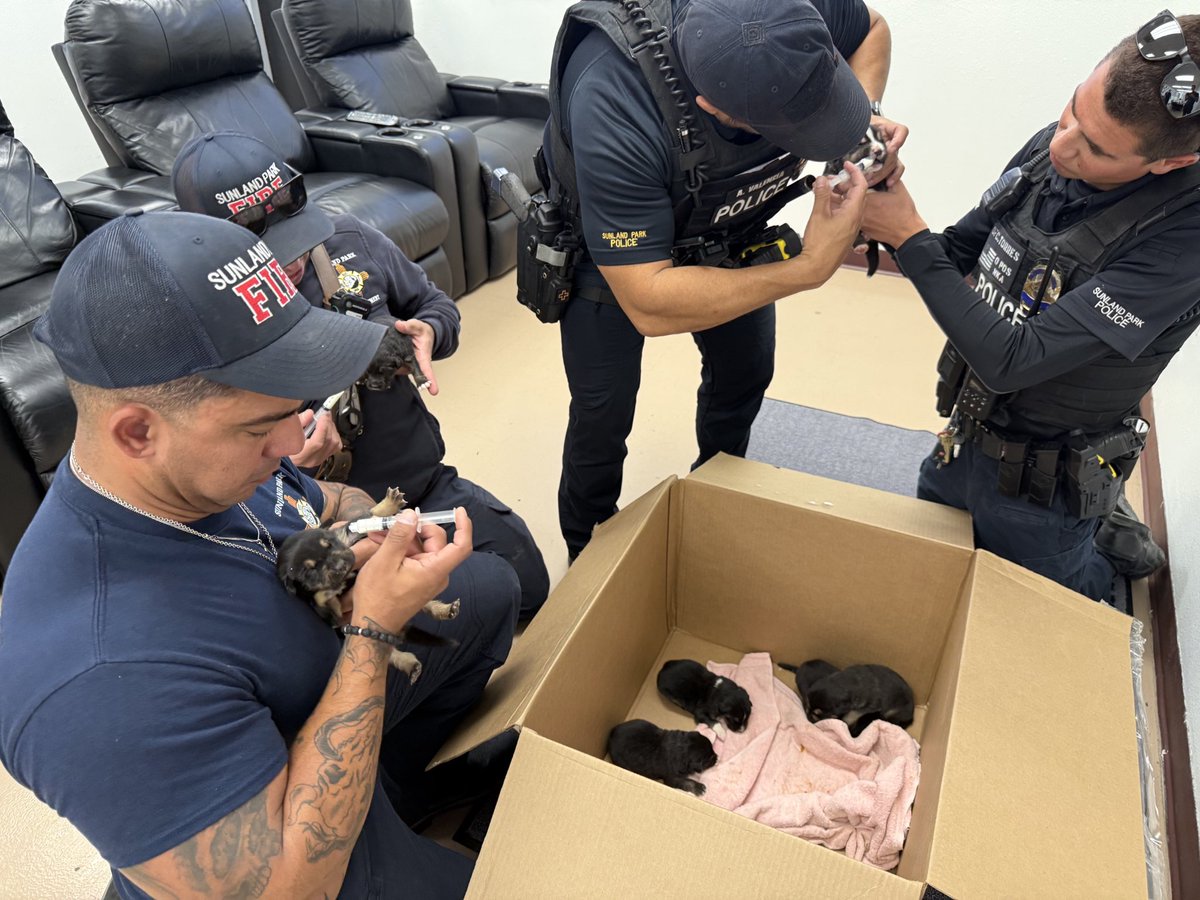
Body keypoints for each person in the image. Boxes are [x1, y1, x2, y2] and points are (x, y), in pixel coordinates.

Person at [0, 211, 517, 898]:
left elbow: (331, 505)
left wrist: (364, 537)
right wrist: (369, 631)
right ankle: (357, 829)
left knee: (492, 590)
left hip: (304, 691)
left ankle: (391, 796)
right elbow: (287, 890)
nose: (293, 441)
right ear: (136, 433)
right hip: (276, 856)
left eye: (290, 409)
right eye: (260, 427)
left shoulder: (209, 460)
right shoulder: (93, 677)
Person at [542, 0, 906, 560]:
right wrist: (807, 268)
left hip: (733, 228)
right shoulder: (613, 95)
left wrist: (861, 119)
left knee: (745, 372)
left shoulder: (781, 14)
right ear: (713, 106)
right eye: (799, 131)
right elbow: (648, 300)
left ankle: (717, 493)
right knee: (602, 412)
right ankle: (588, 551)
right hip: (615, 253)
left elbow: (872, 28)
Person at [856, 10, 1200, 602]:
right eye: (1072, 108)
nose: (1061, 146)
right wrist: (885, 197)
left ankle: (1103, 557)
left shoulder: (1183, 240)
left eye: (1095, 148)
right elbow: (963, 248)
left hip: (1048, 474)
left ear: (1171, 163)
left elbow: (1013, 359)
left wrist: (908, 237)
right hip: (970, 427)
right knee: (932, 539)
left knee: (1037, 602)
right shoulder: (1055, 146)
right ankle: (1099, 525)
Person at [172, 130, 549, 621]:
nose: (291, 261)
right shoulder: (203, 328)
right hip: (322, 531)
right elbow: (209, 490)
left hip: (421, 485)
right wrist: (293, 465)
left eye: (298, 239)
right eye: (268, 253)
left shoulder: (348, 241)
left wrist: (430, 333)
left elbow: (434, 305)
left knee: (530, 588)